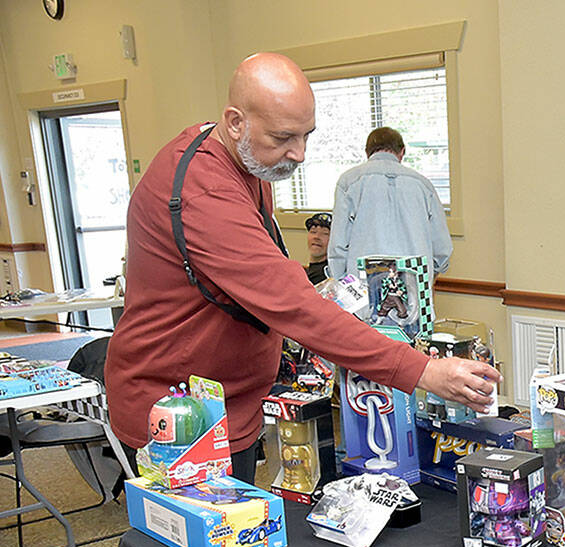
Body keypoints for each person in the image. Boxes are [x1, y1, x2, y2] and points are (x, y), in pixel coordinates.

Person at [106, 53, 498, 484]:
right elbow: (291, 303)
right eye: (283, 137)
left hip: (229, 405)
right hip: (180, 413)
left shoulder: (244, 160)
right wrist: (422, 371)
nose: (300, 154)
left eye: (307, 135)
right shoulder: (207, 190)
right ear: (235, 122)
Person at [327, 126, 452, 281]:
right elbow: (442, 249)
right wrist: (429, 275)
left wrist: (341, 280)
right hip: (414, 283)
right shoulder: (423, 185)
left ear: (367, 152)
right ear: (402, 152)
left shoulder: (349, 182)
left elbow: (338, 245)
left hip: (364, 284)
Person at [302, 212, 331, 283]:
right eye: (313, 232)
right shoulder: (305, 271)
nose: (317, 237)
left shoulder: (325, 274)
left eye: (325, 233)